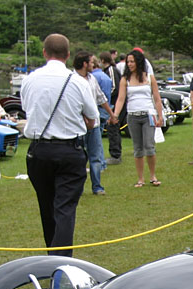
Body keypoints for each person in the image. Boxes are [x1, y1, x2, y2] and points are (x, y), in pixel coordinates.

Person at [21, 33, 98, 256]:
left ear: (44, 53)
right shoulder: (77, 82)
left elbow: (29, 109)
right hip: (68, 149)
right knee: (64, 209)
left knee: (47, 208)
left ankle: (52, 256)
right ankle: (61, 260)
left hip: (39, 150)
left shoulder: (30, 80)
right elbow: (92, 118)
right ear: (67, 55)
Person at [113, 50, 165, 187]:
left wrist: (160, 116)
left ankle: (153, 176)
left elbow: (157, 98)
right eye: (128, 62)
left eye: (132, 61)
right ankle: (140, 178)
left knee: (149, 146)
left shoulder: (149, 77)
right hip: (133, 116)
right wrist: (115, 115)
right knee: (138, 148)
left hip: (149, 115)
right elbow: (121, 99)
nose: (129, 64)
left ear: (139, 62)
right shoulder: (125, 79)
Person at [74, 51, 113, 196]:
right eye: (91, 62)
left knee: (95, 156)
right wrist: (84, 118)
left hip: (94, 125)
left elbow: (100, 98)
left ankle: (97, 187)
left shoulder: (92, 79)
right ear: (84, 64)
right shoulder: (71, 79)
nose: (93, 65)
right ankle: (77, 188)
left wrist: (111, 114)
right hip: (77, 126)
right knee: (78, 158)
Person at [100, 51, 123, 164]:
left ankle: (116, 155)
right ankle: (115, 153)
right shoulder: (106, 71)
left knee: (113, 128)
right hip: (111, 104)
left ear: (103, 60)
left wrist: (105, 100)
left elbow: (115, 87)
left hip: (114, 104)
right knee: (112, 129)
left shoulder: (111, 70)